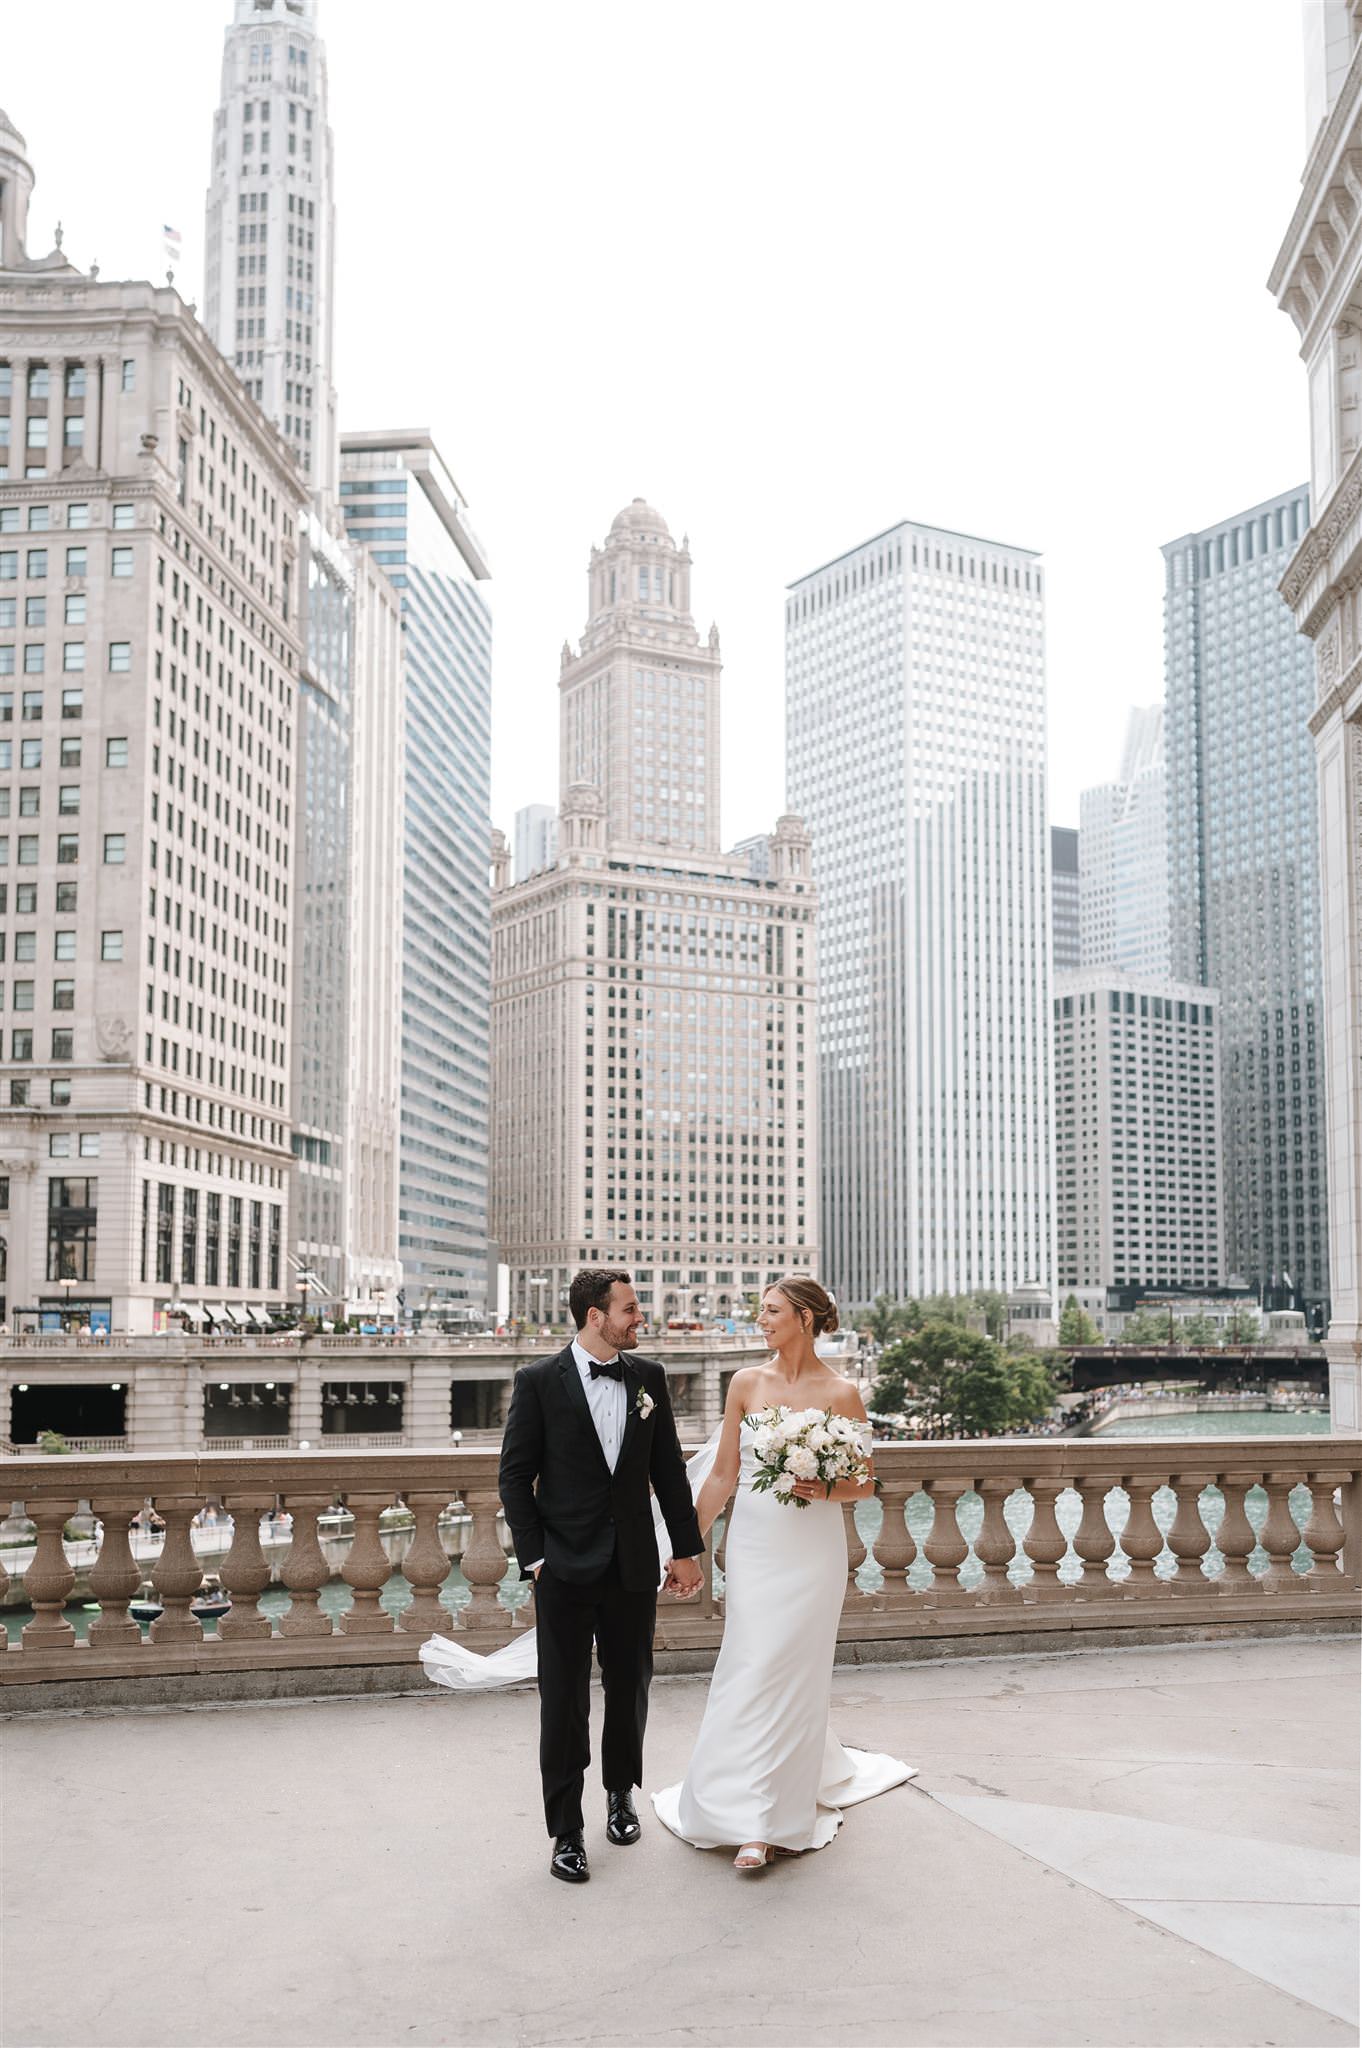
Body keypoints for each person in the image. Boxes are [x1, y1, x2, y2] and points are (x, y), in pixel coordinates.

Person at [652, 1274, 914, 1872]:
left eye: (771, 1311)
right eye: (760, 1310)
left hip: (814, 1551)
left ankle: (767, 1823)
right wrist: (686, 1546)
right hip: (755, 1546)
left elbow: (865, 1482)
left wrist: (820, 1483)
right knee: (751, 1662)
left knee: (794, 1670)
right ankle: (729, 1799)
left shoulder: (843, 1392)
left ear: (804, 1317)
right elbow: (722, 1476)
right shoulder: (745, 1383)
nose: (760, 1320)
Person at [497, 1268, 705, 1886]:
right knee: (562, 1704)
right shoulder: (537, 1382)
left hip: (633, 1566)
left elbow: (668, 1471)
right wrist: (535, 1559)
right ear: (596, 1315)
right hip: (562, 1568)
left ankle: (621, 1795)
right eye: (631, 1309)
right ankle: (566, 1831)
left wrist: (686, 1550)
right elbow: (514, 1477)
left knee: (630, 1687)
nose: (640, 1318)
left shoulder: (649, 1378)